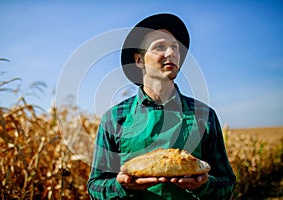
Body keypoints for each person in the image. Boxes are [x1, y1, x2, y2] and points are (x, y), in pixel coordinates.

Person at [87, 13, 236, 200]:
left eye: (175, 47)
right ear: (139, 60)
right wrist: (121, 185)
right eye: (160, 47)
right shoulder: (115, 117)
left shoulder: (204, 115)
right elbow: (95, 187)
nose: (171, 53)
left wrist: (204, 186)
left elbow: (227, 184)